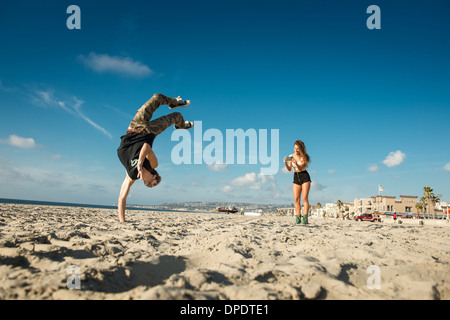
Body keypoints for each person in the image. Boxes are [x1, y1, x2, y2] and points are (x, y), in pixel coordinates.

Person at [117, 93, 193, 223]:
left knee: (177, 116)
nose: (151, 187)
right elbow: (146, 146)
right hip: (147, 131)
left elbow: (122, 197)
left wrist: (122, 221)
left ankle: (180, 126)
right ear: (154, 176)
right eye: (154, 184)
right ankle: (174, 104)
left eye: (152, 186)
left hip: (134, 129)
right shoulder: (153, 165)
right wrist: (140, 164)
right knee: (157, 98)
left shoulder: (131, 176)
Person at [284, 140, 311, 225]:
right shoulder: (291, 156)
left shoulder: (305, 157)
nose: (296, 150)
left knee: (304, 198)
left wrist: (296, 163)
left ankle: (305, 218)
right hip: (296, 177)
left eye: (298, 149)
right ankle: (298, 218)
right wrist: (285, 162)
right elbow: (289, 169)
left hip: (304, 176)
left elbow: (301, 167)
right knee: (296, 199)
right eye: (295, 148)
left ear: (301, 149)